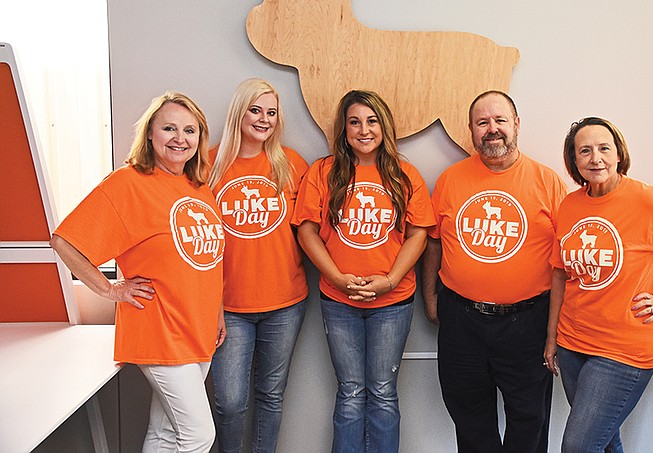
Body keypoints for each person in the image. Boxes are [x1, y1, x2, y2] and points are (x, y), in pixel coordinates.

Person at [50, 92, 225, 452]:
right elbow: (65, 241)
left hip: (198, 328)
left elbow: (205, 260)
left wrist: (217, 312)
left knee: (165, 434)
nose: (180, 138)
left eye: (189, 130)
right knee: (198, 435)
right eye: (169, 128)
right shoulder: (128, 182)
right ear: (150, 134)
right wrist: (111, 289)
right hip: (160, 328)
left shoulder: (199, 188)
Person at [544, 117, 653, 453]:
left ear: (619, 154)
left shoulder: (648, 201)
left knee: (578, 446)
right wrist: (552, 338)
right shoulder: (570, 205)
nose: (596, 158)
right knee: (605, 440)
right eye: (585, 151)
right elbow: (560, 273)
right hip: (572, 344)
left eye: (604, 148)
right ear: (574, 161)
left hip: (623, 351)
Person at [421, 90, 568, 453]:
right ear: (471, 130)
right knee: (468, 415)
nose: (492, 129)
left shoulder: (547, 182)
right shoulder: (451, 180)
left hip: (527, 322)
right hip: (461, 320)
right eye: (482, 122)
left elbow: (565, 260)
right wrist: (429, 297)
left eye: (500, 120)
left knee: (530, 418)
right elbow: (434, 243)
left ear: (516, 124)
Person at [293, 89, 435, 453]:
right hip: (338, 300)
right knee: (351, 392)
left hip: (393, 302)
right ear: (343, 129)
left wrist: (389, 280)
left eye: (371, 121)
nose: (363, 130)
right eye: (354, 122)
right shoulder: (322, 172)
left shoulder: (405, 174)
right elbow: (307, 230)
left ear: (384, 125)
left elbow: (418, 233)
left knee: (384, 393)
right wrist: (338, 278)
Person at [208, 78, 309, 453]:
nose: (263, 119)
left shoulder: (291, 164)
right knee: (230, 401)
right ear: (239, 111)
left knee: (271, 395)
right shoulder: (208, 164)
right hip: (228, 307)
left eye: (271, 112)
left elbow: (313, 229)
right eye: (255, 110)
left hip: (285, 303)